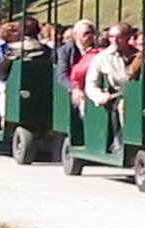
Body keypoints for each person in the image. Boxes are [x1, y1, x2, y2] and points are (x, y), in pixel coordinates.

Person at [84, 23, 138, 152]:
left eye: (119, 37)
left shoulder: (139, 55)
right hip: (116, 95)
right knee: (121, 106)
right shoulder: (101, 58)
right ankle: (119, 141)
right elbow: (91, 84)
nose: (114, 40)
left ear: (128, 37)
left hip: (137, 94)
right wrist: (99, 96)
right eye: (111, 37)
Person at [55, 20, 96, 91]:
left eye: (92, 32)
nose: (90, 36)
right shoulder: (65, 51)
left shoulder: (99, 50)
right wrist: (74, 88)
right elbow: (62, 75)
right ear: (75, 35)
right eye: (86, 33)